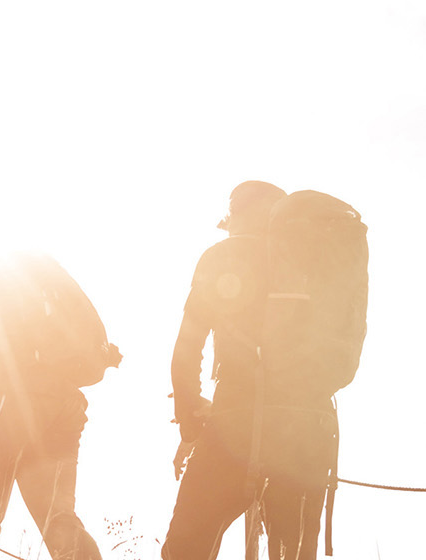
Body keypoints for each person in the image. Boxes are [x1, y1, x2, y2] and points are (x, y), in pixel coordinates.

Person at [161, 181, 315, 559]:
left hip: (235, 421)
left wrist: (191, 421)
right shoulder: (309, 264)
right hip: (307, 433)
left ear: (238, 215)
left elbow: (187, 348)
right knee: (293, 552)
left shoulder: (221, 256)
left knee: (184, 550)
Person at [0, 252, 118, 560]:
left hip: (10, 400)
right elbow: (94, 334)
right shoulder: (45, 266)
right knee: (59, 522)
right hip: (64, 404)